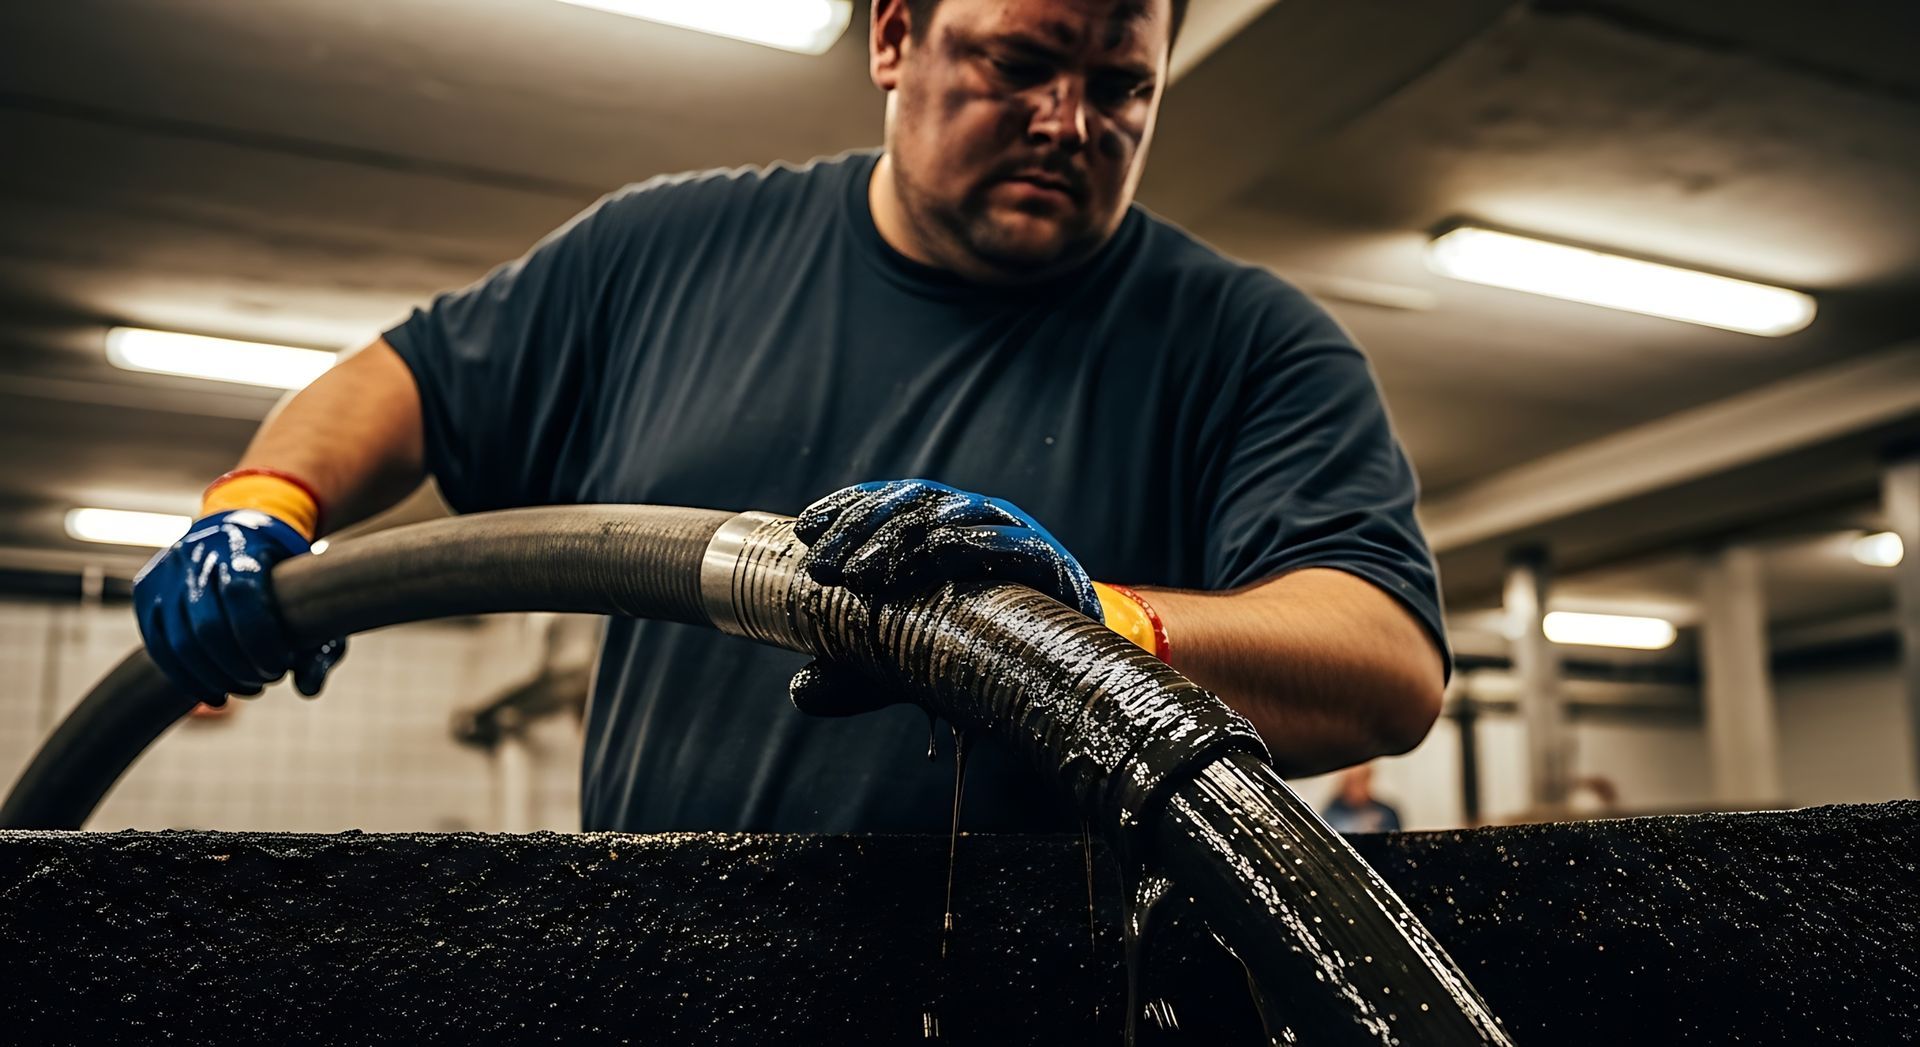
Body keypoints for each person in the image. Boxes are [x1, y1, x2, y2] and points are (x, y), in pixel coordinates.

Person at [131, 0, 1448, 834]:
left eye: (1123, 86)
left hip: (1050, 994)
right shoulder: (663, 254)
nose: (1070, 121)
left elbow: (1386, 661)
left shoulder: (1250, 342)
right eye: (1023, 59)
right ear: (892, 36)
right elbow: (403, 377)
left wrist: (1093, 622)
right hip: (659, 966)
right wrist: (264, 503)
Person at [1319, 764, 1403, 834]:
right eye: (1352, 782)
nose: (1357, 788)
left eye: (1361, 780)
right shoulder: (1331, 813)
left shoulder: (1385, 813)